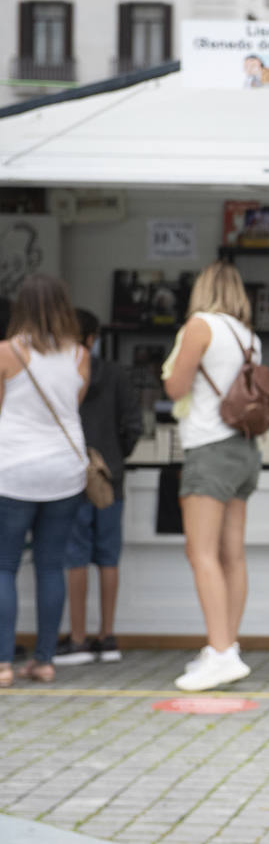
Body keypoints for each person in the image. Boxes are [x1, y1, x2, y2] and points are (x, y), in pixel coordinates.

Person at [162, 261, 261, 692]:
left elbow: (175, 388)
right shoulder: (249, 336)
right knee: (231, 555)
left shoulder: (200, 326)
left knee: (201, 553)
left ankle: (220, 653)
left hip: (209, 447)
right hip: (243, 449)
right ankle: (227, 647)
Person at [0, 274, 90, 686]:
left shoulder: (6, 353)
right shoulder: (79, 355)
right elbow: (74, 404)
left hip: (14, 470)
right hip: (64, 472)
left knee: (4, 567)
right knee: (51, 565)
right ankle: (46, 660)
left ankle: (3, 663)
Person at [51, 311, 142, 666]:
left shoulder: (59, 376)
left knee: (74, 558)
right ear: (93, 337)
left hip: (70, 475)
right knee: (108, 558)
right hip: (109, 479)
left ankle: (77, 639)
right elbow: (134, 426)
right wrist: (114, 459)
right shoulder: (117, 374)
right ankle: (107, 636)